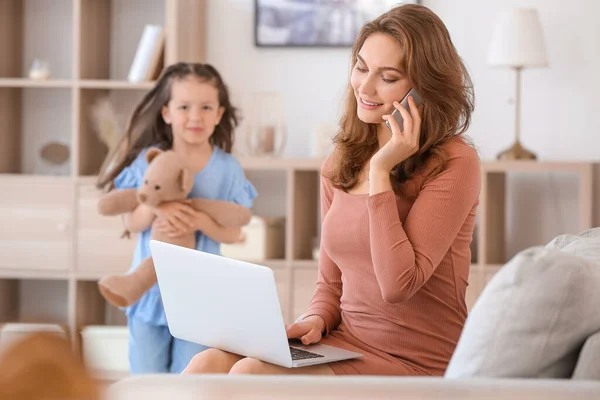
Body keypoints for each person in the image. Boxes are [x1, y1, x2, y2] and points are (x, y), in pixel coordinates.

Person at [183, 3, 480, 376]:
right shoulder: (340, 161)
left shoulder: (455, 162)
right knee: (205, 363)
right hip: (344, 343)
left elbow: (398, 284)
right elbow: (330, 283)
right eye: (361, 68)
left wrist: (380, 172)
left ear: (424, 88)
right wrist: (315, 318)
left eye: (387, 77)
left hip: (417, 360)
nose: (365, 88)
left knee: (249, 374)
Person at [96, 62, 257, 374]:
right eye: (184, 107)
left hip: (200, 298)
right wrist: (158, 207)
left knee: (191, 380)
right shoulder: (148, 161)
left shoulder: (227, 169)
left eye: (206, 107)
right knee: (146, 378)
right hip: (149, 292)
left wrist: (200, 222)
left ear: (219, 115)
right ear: (167, 113)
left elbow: (234, 232)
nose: (195, 117)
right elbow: (132, 223)